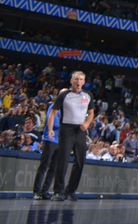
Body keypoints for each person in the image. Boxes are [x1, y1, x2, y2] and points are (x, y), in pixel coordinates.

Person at [49, 71, 95, 201]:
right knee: (63, 160)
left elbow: (91, 113)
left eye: (81, 79)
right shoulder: (64, 95)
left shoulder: (88, 95)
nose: (78, 82)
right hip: (66, 129)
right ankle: (58, 191)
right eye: (76, 79)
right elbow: (53, 112)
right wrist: (51, 129)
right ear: (71, 81)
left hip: (80, 131)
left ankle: (71, 191)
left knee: (80, 162)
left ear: (84, 82)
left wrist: (87, 123)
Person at [33, 96, 62, 199]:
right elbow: (54, 122)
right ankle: (36, 192)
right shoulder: (53, 107)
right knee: (44, 166)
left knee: (53, 168)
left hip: (61, 142)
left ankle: (44, 191)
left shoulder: (67, 111)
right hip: (51, 140)